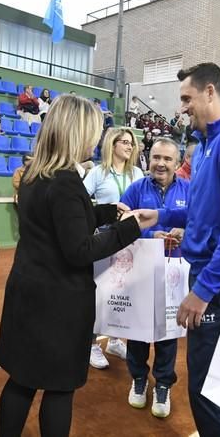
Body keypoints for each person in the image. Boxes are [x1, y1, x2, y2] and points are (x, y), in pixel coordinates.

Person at [0, 94, 144, 437]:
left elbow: (63, 219)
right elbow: (79, 248)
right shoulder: (64, 181)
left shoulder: (36, 173)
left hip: (28, 291)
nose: (95, 140)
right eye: (92, 132)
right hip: (59, 302)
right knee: (59, 388)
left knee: (22, 380)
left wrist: (106, 212)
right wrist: (129, 228)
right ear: (76, 133)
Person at [136, 62, 220, 437]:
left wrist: (204, 290)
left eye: (187, 98)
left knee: (210, 390)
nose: (182, 107)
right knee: (206, 386)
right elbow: (204, 209)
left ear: (211, 92)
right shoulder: (207, 146)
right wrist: (158, 214)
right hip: (209, 277)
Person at [120, 137, 189, 419]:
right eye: (156, 157)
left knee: (167, 331)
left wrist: (186, 232)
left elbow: (202, 222)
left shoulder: (190, 189)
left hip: (174, 271)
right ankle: (138, 378)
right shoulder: (135, 189)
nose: (161, 163)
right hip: (141, 270)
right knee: (137, 329)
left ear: (177, 162)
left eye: (167, 159)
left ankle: (162, 383)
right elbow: (120, 222)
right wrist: (150, 235)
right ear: (149, 159)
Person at [83, 127, 144, 369]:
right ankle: (92, 345)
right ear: (112, 144)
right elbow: (83, 201)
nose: (130, 146)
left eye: (132, 143)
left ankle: (116, 339)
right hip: (105, 238)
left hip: (131, 240)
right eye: (125, 142)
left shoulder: (138, 172)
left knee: (124, 292)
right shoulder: (98, 172)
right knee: (100, 294)